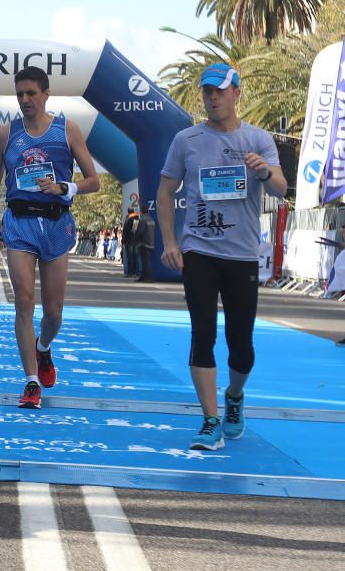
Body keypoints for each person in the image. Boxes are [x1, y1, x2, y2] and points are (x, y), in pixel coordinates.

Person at [156, 63, 287, 451]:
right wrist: (169, 242)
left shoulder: (258, 139)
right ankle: (210, 420)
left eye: (219, 91)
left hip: (242, 254)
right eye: (206, 92)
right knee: (203, 334)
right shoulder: (186, 140)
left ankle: (233, 396)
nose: (212, 98)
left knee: (241, 344)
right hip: (199, 250)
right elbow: (164, 193)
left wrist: (264, 172)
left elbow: (280, 189)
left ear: (236, 94)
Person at [0, 66, 100, 409]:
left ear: (46, 94)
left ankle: (43, 348)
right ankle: (31, 382)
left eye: (31, 93)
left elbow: (94, 180)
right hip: (19, 223)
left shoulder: (66, 129)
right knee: (24, 300)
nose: (25, 100)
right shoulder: (6, 134)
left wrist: (66, 187)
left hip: (57, 223)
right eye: (20, 94)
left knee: (54, 312)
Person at [133, 205, 156, 282]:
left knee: (145, 262)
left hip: (144, 243)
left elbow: (139, 231)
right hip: (151, 242)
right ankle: (143, 277)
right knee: (146, 261)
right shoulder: (151, 219)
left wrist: (135, 238)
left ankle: (148, 278)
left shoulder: (142, 220)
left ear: (141, 212)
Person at [121, 208, 140, 277]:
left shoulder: (128, 219)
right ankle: (136, 272)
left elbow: (125, 231)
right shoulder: (137, 218)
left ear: (128, 212)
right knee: (135, 256)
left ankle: (130, 272)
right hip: (136, 240)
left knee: (130, 257)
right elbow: (136, 229)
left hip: (129, 240)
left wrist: (123, 240)